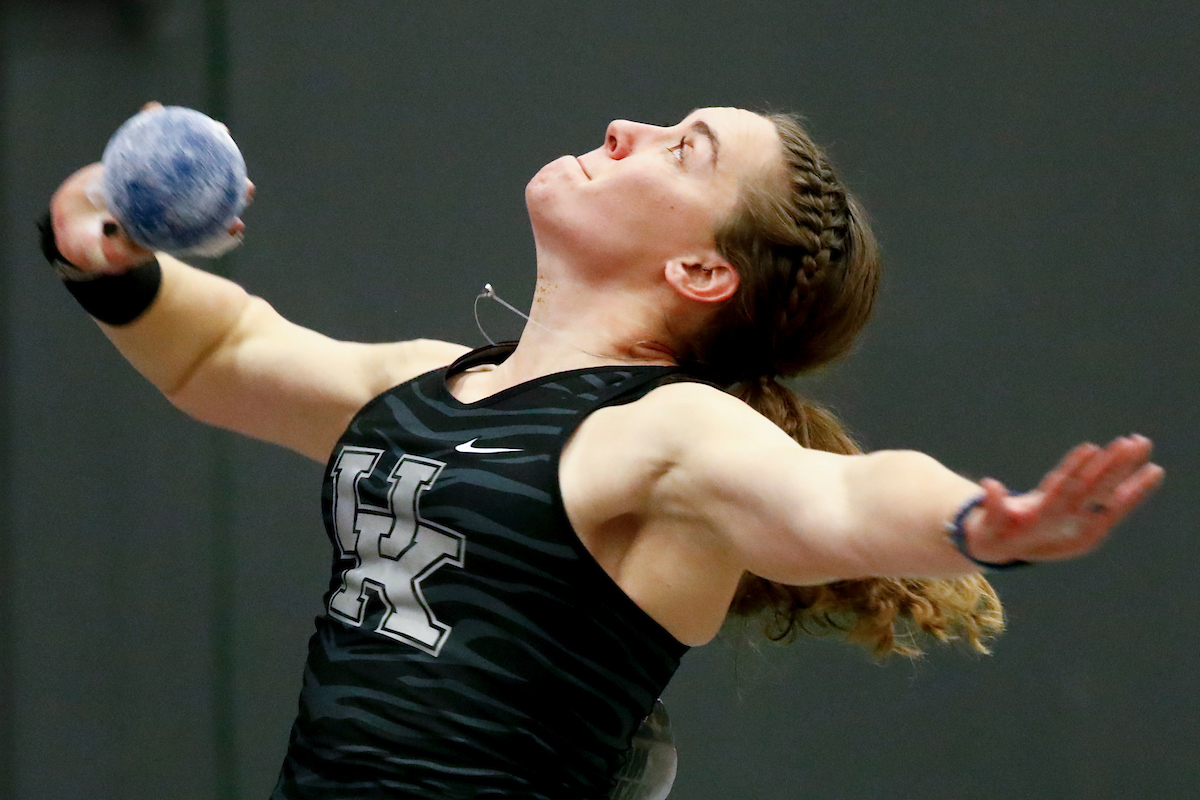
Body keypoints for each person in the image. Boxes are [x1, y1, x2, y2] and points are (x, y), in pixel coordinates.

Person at [43, 104, 1164, 799]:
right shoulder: (421, 384)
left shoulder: (666, 432)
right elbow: (225, 351)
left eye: (685, 150)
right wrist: (101, 250)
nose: (626, 126)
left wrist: (975, 523)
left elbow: (840, 494)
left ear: (701, 274)